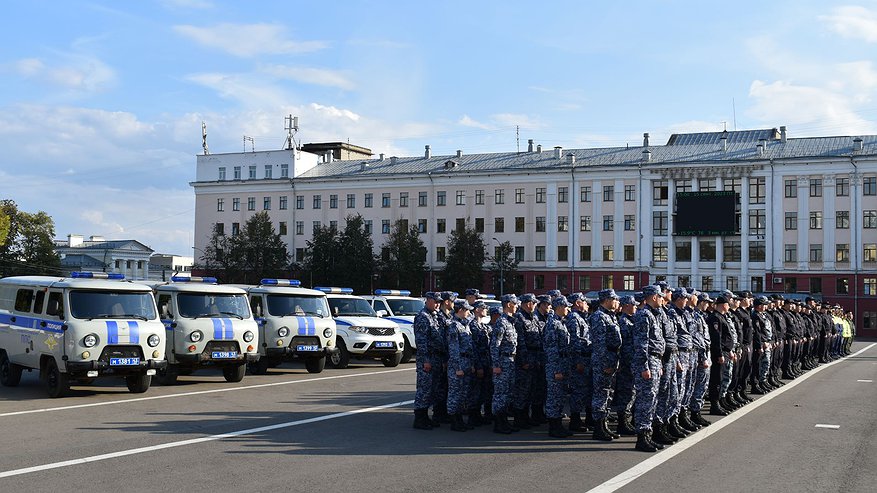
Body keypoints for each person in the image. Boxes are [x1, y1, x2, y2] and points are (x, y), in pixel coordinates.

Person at [631, 285, 666, 452]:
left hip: (655, 360)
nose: (662, 299)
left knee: (652, 399)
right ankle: (642, 437)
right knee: (645, 399)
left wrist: (657, 364)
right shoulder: (644, 315)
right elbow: (641, 344)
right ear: (653, 297)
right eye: (660, 296)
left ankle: (648, 435)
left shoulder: (653, 314)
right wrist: (645, 366)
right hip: (648, 361)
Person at [589, 289, 622, 441]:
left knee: (608, 394)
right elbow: (599, 344)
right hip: (604, 360)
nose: (617, 302)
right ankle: (598, 427)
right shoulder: (599, 317)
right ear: (607, 300)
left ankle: (605, 424)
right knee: (601, 394)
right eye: (615, 299)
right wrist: (605, 363)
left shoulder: (610, 316)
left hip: (612, 358)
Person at [412, 292, 444, 430]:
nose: (437, 304)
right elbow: (421, 341)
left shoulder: (434, 316)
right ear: (428, 301)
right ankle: (419, 418)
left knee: (432, 389)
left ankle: (426, 417)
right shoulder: (423, 317)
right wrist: (425, 360)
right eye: (435, 301)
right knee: (424, 389)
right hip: (427, 357)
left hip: (436, 357)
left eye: (439, 302)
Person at [543, 296, 574, 438]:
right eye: (566, 306)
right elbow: (551, 349)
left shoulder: (560, 322)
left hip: (562, 364)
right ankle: (553, 427)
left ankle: (558, 425)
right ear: (559, 307)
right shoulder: (552, 324)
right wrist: (556, 370)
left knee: (560, 396)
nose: (568, 308)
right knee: (554, 397)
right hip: (556, 366)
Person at [491, 294, 520, 434]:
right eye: (515, 304)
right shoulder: (501, 322)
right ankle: (498, 423)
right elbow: (495, 346)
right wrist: (496, 365)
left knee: (507, 393)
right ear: (509, 304)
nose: (517, 306)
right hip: (502, 362)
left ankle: (504, 421)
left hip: (510, 362)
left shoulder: (510, 322)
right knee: (500, 393)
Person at [513, 294, 542, 429]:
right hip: (526, 358)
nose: (535, 305)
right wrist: (523, 360)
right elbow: (520, 341)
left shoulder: (533, 317)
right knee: (522, 390)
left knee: (532, 389)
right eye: (534, 303)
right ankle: (519, 418)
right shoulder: (519, 318)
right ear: (528, 303)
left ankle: (526, 416)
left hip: (535, 356)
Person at [446, 299, 476, 432]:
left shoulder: (464, 325)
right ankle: (454, 420)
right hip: (458, 364)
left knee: (463, 393)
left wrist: (471, 364)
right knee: (455, 393)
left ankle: (459, 419)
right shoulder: (453, 326)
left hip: (467, 362)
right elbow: (453, 349)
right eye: (467, 310)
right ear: (461, 310)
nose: (469, 312)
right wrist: (457, 368)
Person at [612, 295, 639, 436]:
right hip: (625, 363)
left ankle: (626, 420)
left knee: (631, 392)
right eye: (633, 304)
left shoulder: (630, 320)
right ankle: (622, 422)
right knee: (625, 393)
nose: (636, 306)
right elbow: (622, 346)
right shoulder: (623, 322)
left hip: (631, 362)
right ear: (627, 305)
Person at [566, 292, 593, 432]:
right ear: (577, 303)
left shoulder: (581, 318)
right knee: (578, 390)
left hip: (585, 358)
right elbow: (574, 342)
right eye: (584, 301)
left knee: (584, 390)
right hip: (580, 359)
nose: (587, 304)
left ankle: (580, 419)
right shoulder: (573, 318)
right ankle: (575, 420)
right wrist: (578, 361)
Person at [467, 301, 492, 427]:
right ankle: (472, 417)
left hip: (486, 361)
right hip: (479, 363)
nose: (486, 310)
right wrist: (478, 366)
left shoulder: (482, 325)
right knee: (475, 391)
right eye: (483, 308)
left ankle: (477, 415)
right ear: (476, 310)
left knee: (483, 391)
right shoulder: (473, 326)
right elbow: (474, 349)